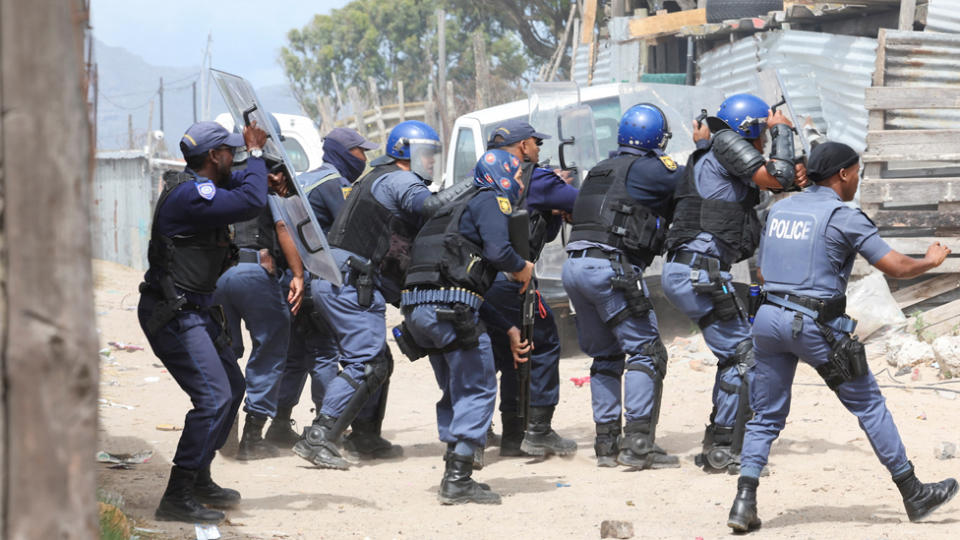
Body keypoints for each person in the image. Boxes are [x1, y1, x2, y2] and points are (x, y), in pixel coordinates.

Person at [727, 141, 958, 532]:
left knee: (765, 415)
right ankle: (913, 492)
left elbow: (763, 272)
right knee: (869, 404)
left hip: (767, 319)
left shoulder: (780, 209)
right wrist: (931, 261)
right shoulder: (843, 216)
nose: (859, 180)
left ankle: (743, 501)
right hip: (813, 326)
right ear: (844, 174)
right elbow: (896, 267)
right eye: (858, 172)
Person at [660, 93, 808, 474]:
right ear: (752, 130)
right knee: (747, 356)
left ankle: (720, 444)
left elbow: (776, 180)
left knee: (735, 355)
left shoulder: (716, 151)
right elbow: (777, 176)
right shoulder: (727, 143)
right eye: (763, 132)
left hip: (693, 270)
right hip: (700, 272)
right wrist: (783, 134)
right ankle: (731, 448)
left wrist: (790, 171)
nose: (764, 142)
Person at [292, 120, 443, 469]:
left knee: (379, 361)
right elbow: (431, 208)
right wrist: (473, 190)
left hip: (343, 279)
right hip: (349, 281)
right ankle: (319, 436)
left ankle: (364, 436)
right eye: (428, 154)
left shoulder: (378, 178)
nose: (432, 162)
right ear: (408, 152)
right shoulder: (398, 178)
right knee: (367, 363)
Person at [137, 120, 267, 523]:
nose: (235, 157)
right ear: (215, 157)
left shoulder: (200, 186)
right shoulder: (192, 196)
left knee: (233, 386)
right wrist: (258, 154)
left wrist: (268, 175)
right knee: (212, 398)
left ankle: (200, 477)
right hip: (174, 312)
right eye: (230, 151)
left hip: (194, 309)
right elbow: (249, 201)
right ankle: (177, 495)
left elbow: (243, 185)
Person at [562, 103, 699, 469]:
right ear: (657, 139)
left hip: (574, 267)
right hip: (610, 268)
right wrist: (703, 146)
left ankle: (606, 444)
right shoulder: (652, 169)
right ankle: (638, 444)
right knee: (646, 353)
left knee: (606, 356)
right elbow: (696, 180)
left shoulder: (600, 170)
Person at [397, 149, 534, 504]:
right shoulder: (491, 199)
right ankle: (458, 480)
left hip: (419, 311)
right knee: (478, 387)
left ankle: (453, 467)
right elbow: (499, 252)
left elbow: (461, 284)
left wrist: (507, 328)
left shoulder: (446, 211)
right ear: (501, 176)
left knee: (457, 389)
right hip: (449, 310)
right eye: (517, 176)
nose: (520, 182)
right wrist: (522, 267)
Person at [266, 128, 388, 459]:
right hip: (317, 279)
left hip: (290, 280)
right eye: (361, 152)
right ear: (345, 153)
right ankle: (330, 425)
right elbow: (351, 232)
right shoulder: (334, 184)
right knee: (324, 354)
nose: (365, 159)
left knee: (294, 356)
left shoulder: (303, 180)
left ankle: (277, 423)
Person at [483, 119, 579, 458]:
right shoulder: (535, 177)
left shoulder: (481, 177)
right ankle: (537, 430)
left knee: (509, 354)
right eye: (536, 143)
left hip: (480, 282)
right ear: (523, 147)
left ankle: (510, 437)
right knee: (544, 342)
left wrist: (551, 212)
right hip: (513, 279)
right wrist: (561, 199)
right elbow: (579, 202)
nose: (539, 150)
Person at [213, 121, 305, 461]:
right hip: (254, 271)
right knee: (270, 347)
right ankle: (253, 435)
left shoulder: (219, 177)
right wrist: (298, 273)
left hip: (218, 277)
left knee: (226, 350)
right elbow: (282, 226)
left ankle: (224, 429)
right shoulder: (264, 176)